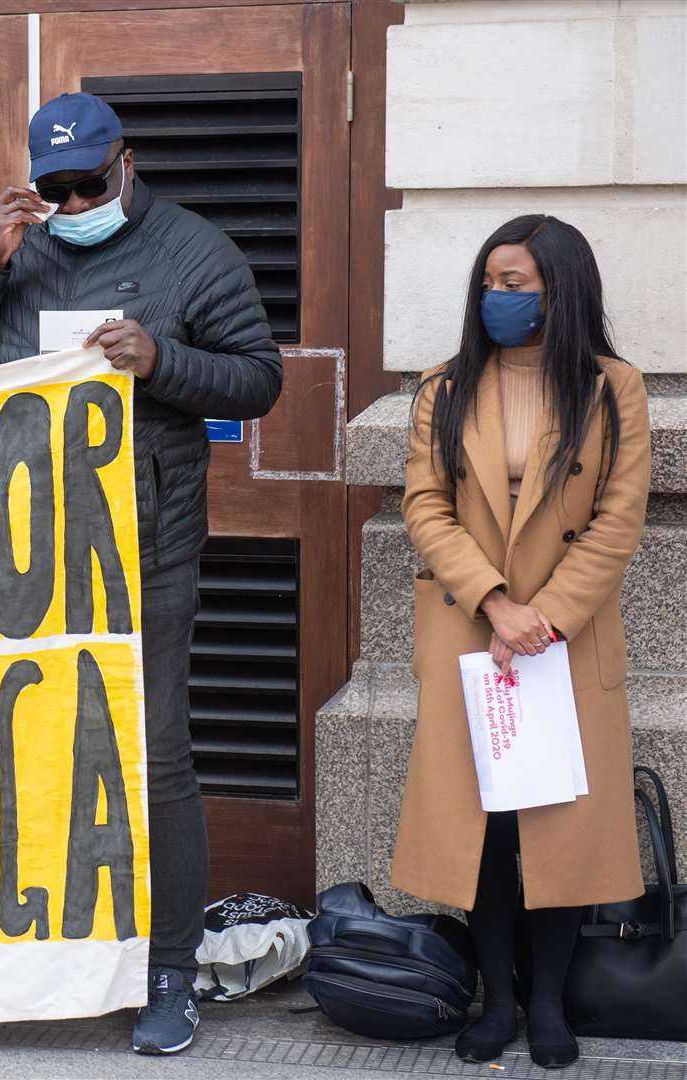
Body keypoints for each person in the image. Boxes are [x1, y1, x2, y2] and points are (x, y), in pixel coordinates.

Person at [0, 92, 282, 1055]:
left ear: (129, 162)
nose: (77, 200)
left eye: (91, 181)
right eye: (58, 187)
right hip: (26, 549)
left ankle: (169, 970)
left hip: (148, 544)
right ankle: (35, 953)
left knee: (157, 755)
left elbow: (259, 378)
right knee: (26, 745)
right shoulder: (20, 249)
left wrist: (164, 361)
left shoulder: (194, 251)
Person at [394, 214, 651, 1069]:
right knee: (486, 829)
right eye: (489, 283)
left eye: (516, 285)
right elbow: (425, 505)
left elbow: (618, 525)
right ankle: (495, 1000)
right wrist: (497, 602)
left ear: (562, 287)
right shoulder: (446, 386)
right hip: (473, 632)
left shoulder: (615, 389)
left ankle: (549, 1005)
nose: (495, 298)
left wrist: (544, 615)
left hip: (563, 643)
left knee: (557, 826)